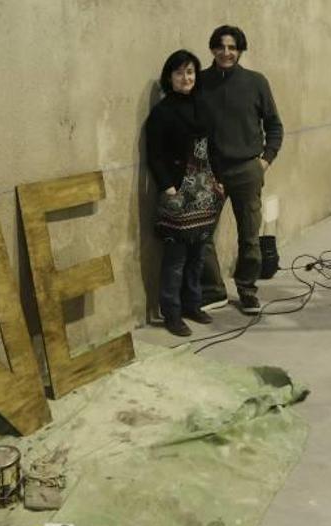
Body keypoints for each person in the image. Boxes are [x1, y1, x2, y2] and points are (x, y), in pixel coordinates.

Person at [196, 24, 284, 315]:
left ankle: (247, 289)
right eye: (221, 46)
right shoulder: (200, 82)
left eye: (232, 47)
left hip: (247, 169)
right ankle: (214, 290)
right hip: (211, 173)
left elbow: (274, 125)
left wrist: (264, 161)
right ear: (212, 49)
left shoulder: (256, 82)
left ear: (240, 50)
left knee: (248, 236)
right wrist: (205, 172)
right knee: (202, 234)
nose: (226, 52)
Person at [145, 50, 223, 337]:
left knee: (198, 255)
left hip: (206, 191)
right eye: (179, 73)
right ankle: (172, 312)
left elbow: (214, 147)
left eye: (190, 72)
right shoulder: (162, 113)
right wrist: (169, 187)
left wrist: (219, 180)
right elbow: (155, 155)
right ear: (170, 77)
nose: (186, 78)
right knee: (176, 258)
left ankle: (193, 304)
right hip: (179, 192)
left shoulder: (204, 106)